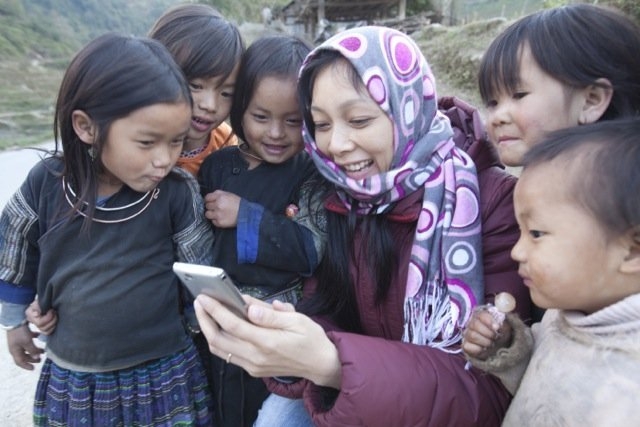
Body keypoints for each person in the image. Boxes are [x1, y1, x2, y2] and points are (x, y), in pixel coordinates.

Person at [194, 26, 528, 426]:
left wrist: (332, 362)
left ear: (407, 108)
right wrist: (286, 331)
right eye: (320, 124)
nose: (335, 144)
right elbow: (326, 305)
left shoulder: (490, 204)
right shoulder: (343, 193)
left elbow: (489, 392)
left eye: (358, 119)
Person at [0, 33, 214, 425]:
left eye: (176, 142)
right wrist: (16, 322)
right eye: (147, 142)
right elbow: (14, 247)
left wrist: (203, 324)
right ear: (86, 127)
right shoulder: (48, 184)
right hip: (77, 378)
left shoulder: (176, 194)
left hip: (162, 371)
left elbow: (201, 272)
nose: (165, 159)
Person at [462, 118, 640, 426]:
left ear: (632, 250)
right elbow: (543, 385)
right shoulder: (564, 315)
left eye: (537, 233)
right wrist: (504, 346)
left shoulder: (628, 392)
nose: (516, 251)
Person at [196, 34, 324, 426]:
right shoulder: (216, 167)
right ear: (239, 110)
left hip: (274, 324)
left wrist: (246, 215)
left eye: (292, 121)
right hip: (213, 322)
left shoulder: (311, 173)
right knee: (218, 406)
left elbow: (312, 249)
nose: (275, 133)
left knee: (262, 409)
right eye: (260, 116)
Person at [479, 3, 640, 167]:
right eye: (492, 103)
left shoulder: (594, 188)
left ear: (591, 100)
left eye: (519, 95)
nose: (497, 117)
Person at [148, 3, 244, 176]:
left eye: (226, 94)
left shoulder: (224, 142)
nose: (210, 105)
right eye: (196, 86)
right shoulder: (128, 130)